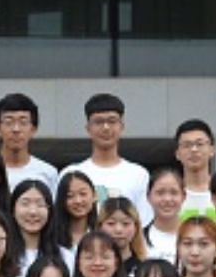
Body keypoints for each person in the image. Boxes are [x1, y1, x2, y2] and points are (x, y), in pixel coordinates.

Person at [62, 94, 153, 224]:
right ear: (88, 129)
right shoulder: (71, 173)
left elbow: (143, 222)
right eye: (98, 122)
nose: (106, 127)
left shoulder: (139, 174)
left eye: (112, 121)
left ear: (122, 126)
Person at [0, 93, 58, 193]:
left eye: (23, 123)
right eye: (9, 122)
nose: (16, 129)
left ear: (33, 129)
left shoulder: (48, 173)